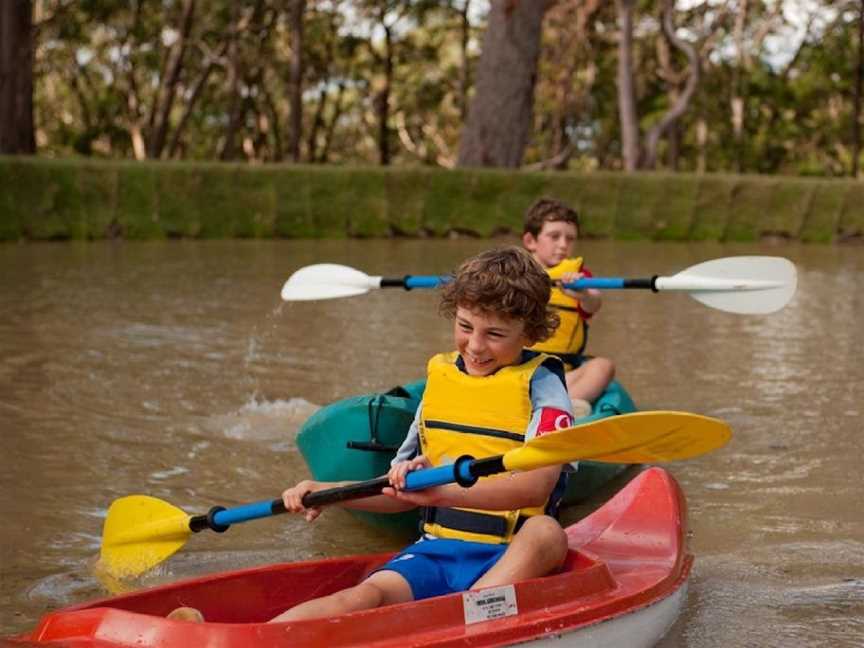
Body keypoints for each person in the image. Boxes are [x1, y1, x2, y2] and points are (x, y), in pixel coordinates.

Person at [167, 247, 573, 624]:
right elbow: (395, 491)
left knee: (547, 532)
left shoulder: (544, 383)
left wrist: (440, 491)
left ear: (531, 333)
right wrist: (329, 490)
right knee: (360, 598)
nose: (476, 345)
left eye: (495, 334)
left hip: (511, 552)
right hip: (437, 552)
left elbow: (537, 486)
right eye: (465, 327)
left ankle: (472, 614)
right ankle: (253, 640)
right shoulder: (441, 382)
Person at [521, 198, 615, 418]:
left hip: (562, 375)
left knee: (603, 366)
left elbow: (593, 303)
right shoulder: (513, 272)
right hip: (516, 370)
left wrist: (582, 293)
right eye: (554, 237)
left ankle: (564, 408)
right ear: (530, 240)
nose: (563, 245)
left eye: (570, 238)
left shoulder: (580, 279)